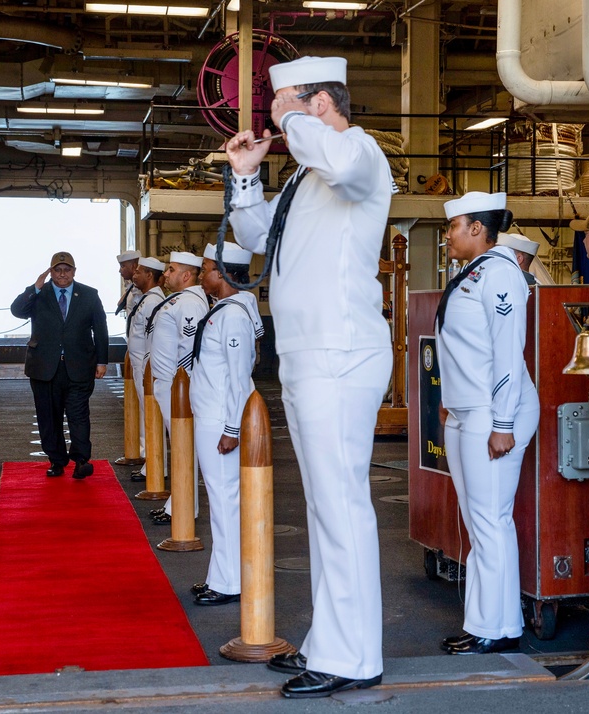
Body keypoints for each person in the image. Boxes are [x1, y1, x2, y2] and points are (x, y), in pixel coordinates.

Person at [224, 55, 393, 698]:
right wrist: (244, 177)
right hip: (305, 354)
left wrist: (295, 120)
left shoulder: (358, 152)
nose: (273, 113)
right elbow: (255, 236)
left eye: (285, 100)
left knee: (341, 504)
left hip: (339, 352)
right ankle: (331, 640)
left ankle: (353, 657)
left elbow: (343, 162)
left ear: (320, 102)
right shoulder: (306, 173)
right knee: (325, 506)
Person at [435, 191, 540, 655]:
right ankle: (486, 622)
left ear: (477, 228)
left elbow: (506, 353)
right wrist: (449, 402)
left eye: (453, 226)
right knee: (479, 523)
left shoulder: (500, 274)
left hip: (494, 413)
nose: (447, 235)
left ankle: (497, 630)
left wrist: (502, 423)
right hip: (465, 411)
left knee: (491, 521)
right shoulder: (471, 273)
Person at [188, 241, 263, 606]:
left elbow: (238, 377)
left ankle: (230, 581)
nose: (202, 275)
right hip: (211, 417)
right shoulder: (224, 310)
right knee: (220, 501)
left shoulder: (233, 315)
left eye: (205, 268)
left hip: (220, 421)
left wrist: (232, 429)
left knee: (225, 502)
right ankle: (221, 575)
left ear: (222, 272)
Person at [10, 251, 109, 479]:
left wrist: (102, 361)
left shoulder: (89, 295)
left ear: (74, 271)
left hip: (79, 366)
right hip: (45, 368)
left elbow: (100, 329)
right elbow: (17, 311)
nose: (62, 274)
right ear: (50, 271)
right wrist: (34, 287)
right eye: (57, 269)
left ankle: (82, 460)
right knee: (49, 417)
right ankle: (57, 460)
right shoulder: (39, 294)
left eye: (67, 269)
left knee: (78, 415)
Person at [145, 251, 209, 525]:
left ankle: (181, 507)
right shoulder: (179, 301)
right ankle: (180, 503)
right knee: (181, 446)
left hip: (177, 387)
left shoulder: (190, 304)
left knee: (184, 447)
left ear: (186, 275)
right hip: (169, 384)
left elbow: (191, 348)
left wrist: (183, 384)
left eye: (171, 269)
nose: (166, 274)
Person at [125, 256, 166, 483]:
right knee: (147, 415)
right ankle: (152, 463)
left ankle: (156, 466)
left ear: (150, 275)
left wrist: (150, 368)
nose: (134, 274)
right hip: (141, 365)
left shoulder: (152, 302)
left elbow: (153, 338)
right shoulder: (146, 299)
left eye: (139, 271)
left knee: (152, 416)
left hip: (147, 367)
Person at [115, 250, 143, 318]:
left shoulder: (142, 288)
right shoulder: (132, 287)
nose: (119, 270)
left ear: (133, 266)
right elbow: (120, 303)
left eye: (122, 266)